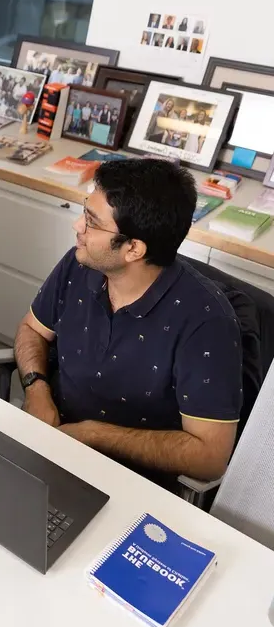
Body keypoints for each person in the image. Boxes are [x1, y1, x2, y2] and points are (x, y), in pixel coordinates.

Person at [14, 159, 241, 488]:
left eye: (92, 222)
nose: (77, 226)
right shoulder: (80, 263)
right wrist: (36, 389)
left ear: (133, 249)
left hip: (132, 483)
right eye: (84, 212)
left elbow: (210, 457)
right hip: (50, 444)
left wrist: (92, 434)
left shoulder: (207, 323)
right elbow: (32, 329)